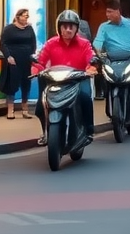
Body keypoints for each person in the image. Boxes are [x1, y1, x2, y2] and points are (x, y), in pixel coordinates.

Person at [32, 9, 97, 148]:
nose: (68, 30)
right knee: (40, 105)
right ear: (59, 28)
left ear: (76, 28)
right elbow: (41, 60)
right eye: (64, 26)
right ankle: (45, 131)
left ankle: (89, 130)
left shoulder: (84, 44)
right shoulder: (51, 43)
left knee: (85, 97)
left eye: (71, 26)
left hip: (78, 79)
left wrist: (91, 66)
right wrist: (36, 68)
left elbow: (90, 58)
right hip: (56, 81)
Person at [92, 0, 130, 122]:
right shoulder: (104, 27)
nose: (107, 15)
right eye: (107, 12)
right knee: (107, 82)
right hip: (112, 61)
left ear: (118, 11)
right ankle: (111, 109)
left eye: (110, 12)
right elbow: (98, 43)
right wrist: (97, 53)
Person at [0, 8, 38, 119]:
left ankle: (25, 109)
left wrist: (32, 55)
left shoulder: (29, 29)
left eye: (27, 16)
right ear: (17, 17)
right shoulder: (9, 29)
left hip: (26, 59)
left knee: (26, 83)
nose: (26, 18)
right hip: (13, 60)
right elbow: (3, 43)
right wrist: (8, 56)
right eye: (25, 16)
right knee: (12, 84)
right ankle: (10, 110)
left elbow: (33, 42)